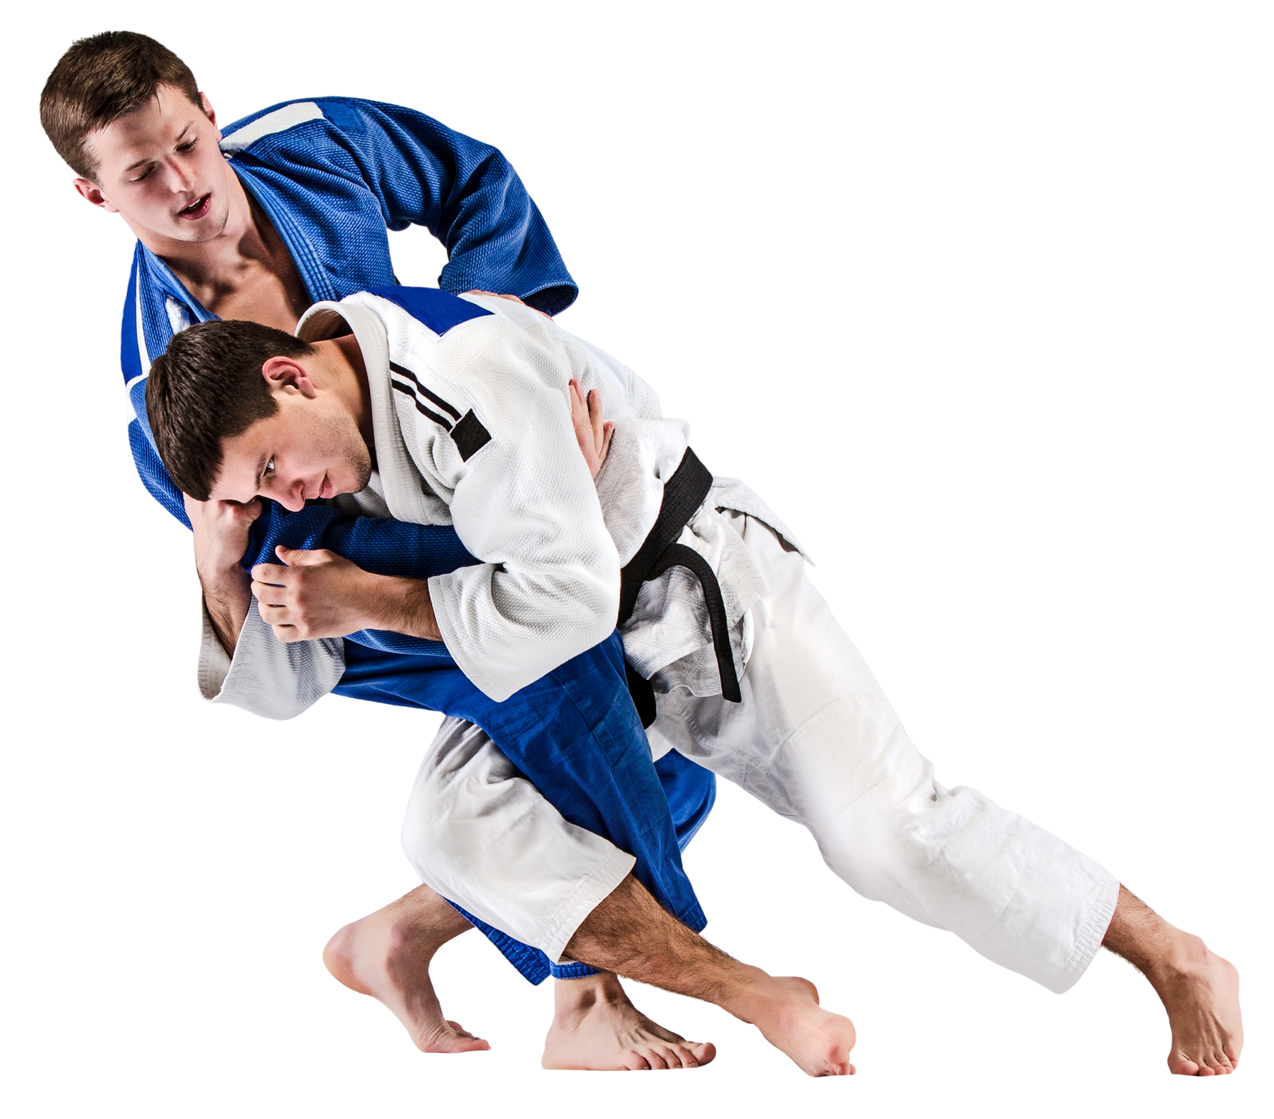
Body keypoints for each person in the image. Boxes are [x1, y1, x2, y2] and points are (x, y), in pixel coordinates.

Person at [144, 285, 1244, 1078]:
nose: (287, 500)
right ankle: (746, 993)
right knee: (448, 826)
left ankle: (1176, 959)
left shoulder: (456, 378)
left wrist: (381, 599)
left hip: (702, 597)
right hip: (579, 661)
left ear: (287, 374)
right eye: (260, 494)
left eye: (273, 471)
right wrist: (216, 556)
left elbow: (561, 596)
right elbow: (285, 688)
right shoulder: (337, 432)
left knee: (883, 840)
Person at [44, 30, 729, 1069]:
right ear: (97, 197)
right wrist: (222, 560)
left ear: (211, 111)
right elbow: (283, 601)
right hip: (349, 577)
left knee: (684, 740)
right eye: (142, 173)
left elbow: (474, 183)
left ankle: (396, 937)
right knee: (565, 682)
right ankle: (594, 998)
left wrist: (505, 361)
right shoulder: (157, 402)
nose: (186, 185)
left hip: (453, 466)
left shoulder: (318, 140)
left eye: (189, 143)